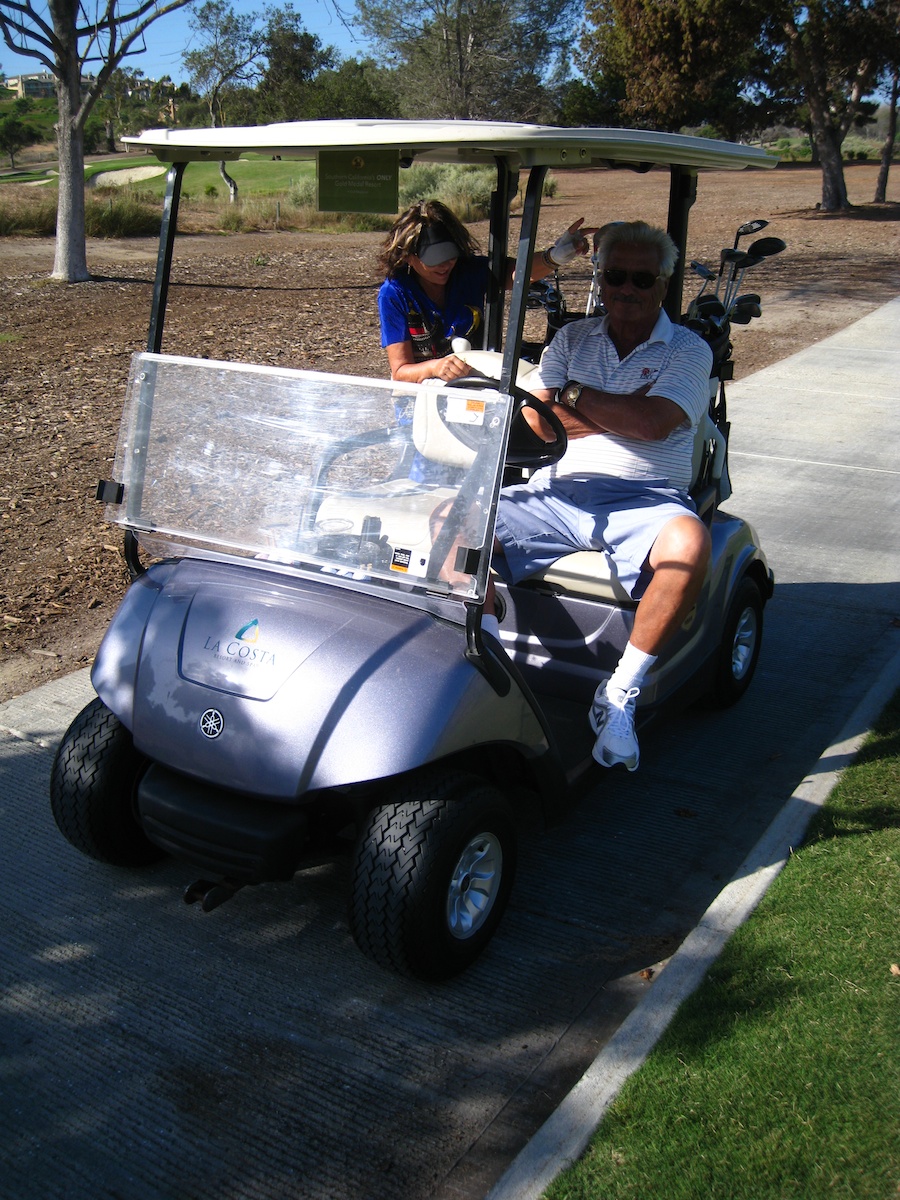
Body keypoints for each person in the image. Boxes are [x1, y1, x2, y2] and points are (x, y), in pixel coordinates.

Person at [490, 220, 714, 772]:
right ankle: (491, 667)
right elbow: (538, 428)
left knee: (689, 543)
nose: (628, 290)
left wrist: (575, 397)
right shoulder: (571, 339)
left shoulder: (689, 349)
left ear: (664, 283)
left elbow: (653, 425)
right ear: (601, 278)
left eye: (643, 279)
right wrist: (616, 407)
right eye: (617, 276)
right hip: (558, 491)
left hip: (646, 497)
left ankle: (619, 694)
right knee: (454, 520)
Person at [377, 199, 594, 385]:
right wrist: (436, 367)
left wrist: (555, 257)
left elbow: (518, 273)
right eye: (434, 260)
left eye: (450, 256)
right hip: (421, 402)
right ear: (407, 256)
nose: (445, 266)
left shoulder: (468, 272)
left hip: (475, 391)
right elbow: (400, 372)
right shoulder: (396, 293)